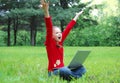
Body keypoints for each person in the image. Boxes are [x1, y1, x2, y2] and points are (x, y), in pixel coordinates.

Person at [40, 0, 86, 81]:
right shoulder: (49, 43)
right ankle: (74, 77)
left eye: (60, 32)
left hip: (63, 69)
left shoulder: (60, 42)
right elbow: (49, 27)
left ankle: (71, 76)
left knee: (81, 67)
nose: (60, 34)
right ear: (52, 35)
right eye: (57, 33)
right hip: (53, 72)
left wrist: (77, 16)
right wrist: (46, 11)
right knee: (64, 70)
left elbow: (68, 28)